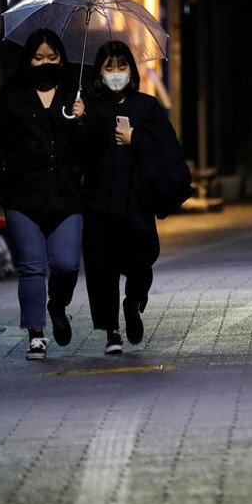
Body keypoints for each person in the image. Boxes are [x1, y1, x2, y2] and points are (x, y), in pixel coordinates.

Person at [0, 28, 91, 360]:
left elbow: (89, 150)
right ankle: (35, 333)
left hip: (65, 194)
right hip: (23, 193)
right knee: (31, 266)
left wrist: (82, 120)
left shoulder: (75, 94)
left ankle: (57, 305)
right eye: (38, 57)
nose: (45, 63)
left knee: (67, 264)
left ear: (61, 58)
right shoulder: (12, 97)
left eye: (52, 57)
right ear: (27, 59)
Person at [82, 40, 183, 355]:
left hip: (136, 202)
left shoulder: (147, 106)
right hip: (99, 202)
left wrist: (135, 137)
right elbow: (80, 153)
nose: (116, 73)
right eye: (109, 67)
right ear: (99, 72)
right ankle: (112, 331)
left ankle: (134, 301)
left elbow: (167, 146)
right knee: (103, 268)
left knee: (142, 259)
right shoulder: (90, 105)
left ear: (132, 70)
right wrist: (81, 119)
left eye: (122, 66)